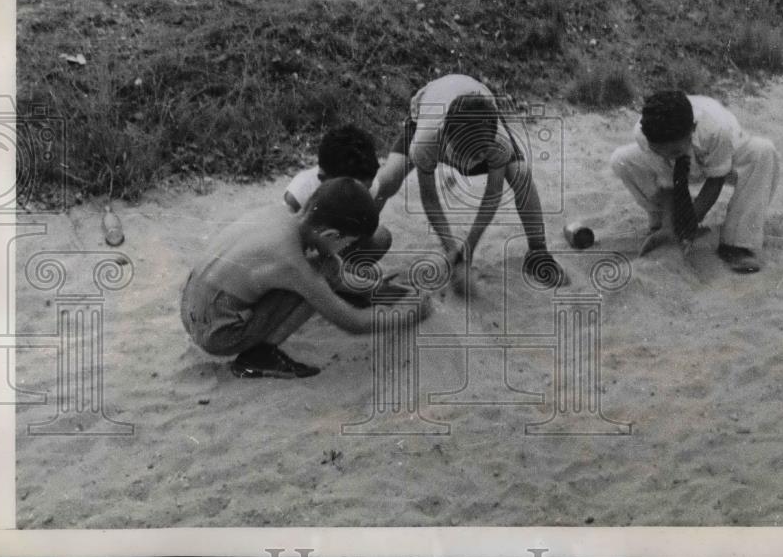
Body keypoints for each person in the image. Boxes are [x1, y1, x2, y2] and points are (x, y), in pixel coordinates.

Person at [180, 177, 431, 379]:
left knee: (324, 268)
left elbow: (329, 259)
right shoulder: (290, 260)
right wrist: (411, 312)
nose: (344, 248)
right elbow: (354, 323)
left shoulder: (277, 215)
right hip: (217, 334)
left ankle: (258, 345)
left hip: (193, 310)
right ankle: (260, 355)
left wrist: (373, 288)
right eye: (347, 242)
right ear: (332, 235)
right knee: (321, 275)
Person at [372, 74, 569, 289]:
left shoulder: (498, 142)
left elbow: (493, 195)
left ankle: (538, 252)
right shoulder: (426, 139)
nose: (465, 166)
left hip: (480, 115)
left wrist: (468, 248)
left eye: (475, 158)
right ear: (444, 138)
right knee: (388, 178)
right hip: (430, 108)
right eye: (459, 155)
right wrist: (451, 249)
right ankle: (356, 238)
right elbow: (429, 198)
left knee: (521, 174)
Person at [610, 91, 778, 273]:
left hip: (727, 160)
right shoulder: (645, 133)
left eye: (673, 152)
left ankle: (736, 243)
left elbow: (716, 180)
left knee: (763, 151)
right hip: (685, 161)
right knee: (621, 159)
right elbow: (667, 183)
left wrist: (689, 223)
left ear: (692, 129)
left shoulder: (716, 129)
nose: (667, 156)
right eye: (659, 151)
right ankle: (660, 224)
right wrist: (669, 226)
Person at [284, 125, 392, 303]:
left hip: (333, 247)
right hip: (304, 255)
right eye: (357, 191)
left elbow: (361, 232)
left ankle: (339, 285)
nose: (363, 196)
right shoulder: (299, 194)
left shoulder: (366, 186)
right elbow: (288, 251)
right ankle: (329, 288)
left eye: (366, 189)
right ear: (323, 178)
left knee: (380, 237)